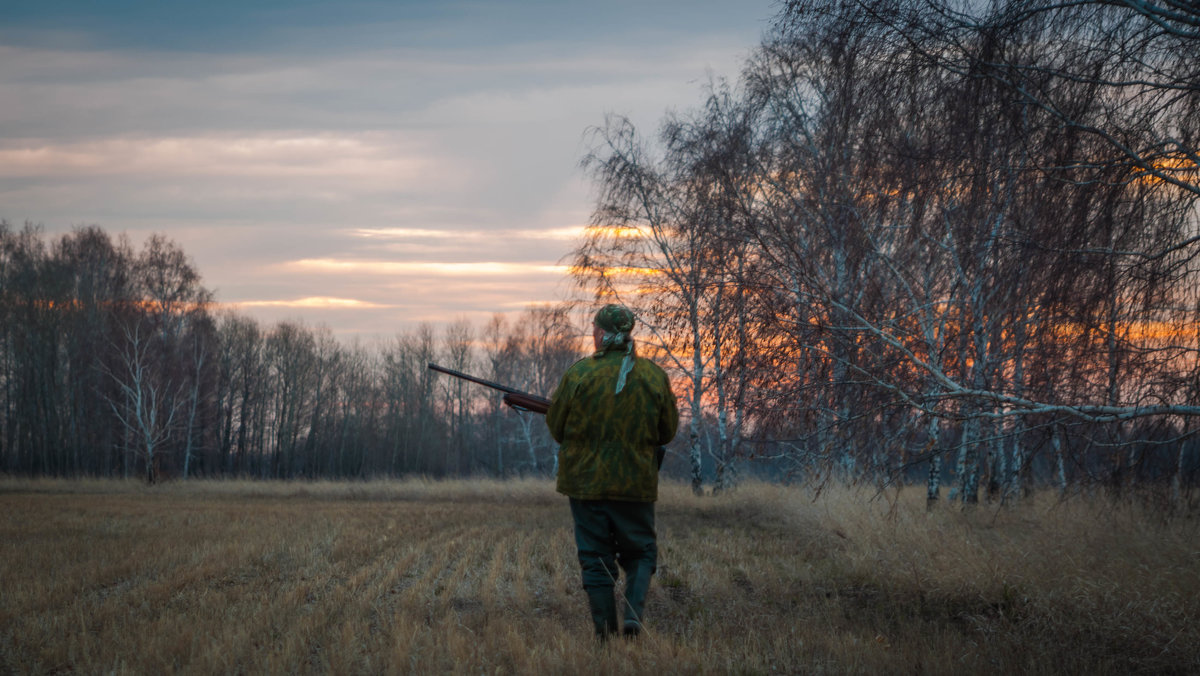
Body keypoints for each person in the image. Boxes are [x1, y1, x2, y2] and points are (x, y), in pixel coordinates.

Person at [546, 304, 679, 641]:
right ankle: (633, 617)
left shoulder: (579, 374)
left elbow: (557, 429)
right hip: (635, 484)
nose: (592, 334)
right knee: (641, 553)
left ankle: (605, 638)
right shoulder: (653, 376)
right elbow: (667, 432)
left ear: (602, 334)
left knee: (595, 558)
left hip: (586, 486)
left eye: (594, 329)